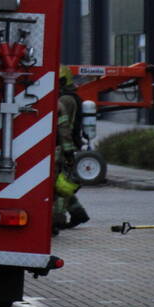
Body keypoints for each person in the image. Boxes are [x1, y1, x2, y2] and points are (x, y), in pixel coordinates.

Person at [54, 66, 89, 231]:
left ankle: (57, 219)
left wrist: (67, 151)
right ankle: (78, 213)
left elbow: (63, 127)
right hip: (63, 146)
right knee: (61, 183)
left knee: (57, 185)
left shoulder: (65, 100)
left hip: (62, 147)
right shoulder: (69, 97)